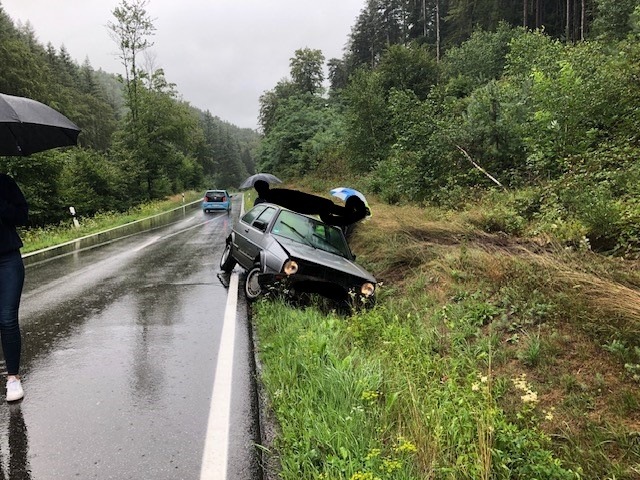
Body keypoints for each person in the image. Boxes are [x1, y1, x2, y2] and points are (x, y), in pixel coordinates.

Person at [0, 173, 28, 402]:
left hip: (7, 259)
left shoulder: (4, 182)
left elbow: (21, 216)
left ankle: (13, 378)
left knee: (7, 318)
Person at [252, 180, 368, 229]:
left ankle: (360, 211)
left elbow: (294, 197)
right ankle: (359, 211)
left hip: (310, 206)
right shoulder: (274, 193)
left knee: (331, 215)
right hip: (311, 205)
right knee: (332, 214)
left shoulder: (268, 199)